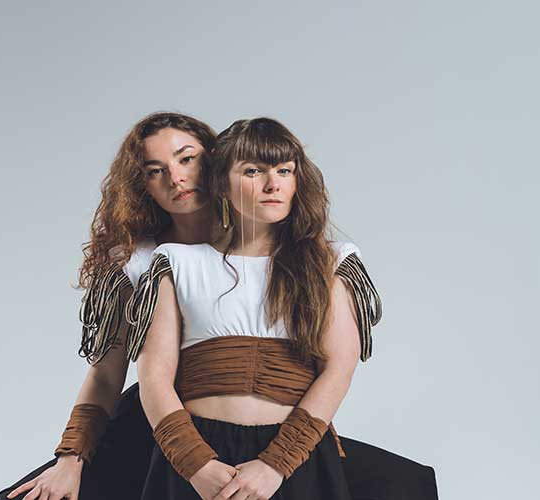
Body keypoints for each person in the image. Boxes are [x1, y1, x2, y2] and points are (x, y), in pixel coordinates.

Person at [0, 114, 438, 500]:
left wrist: (281, 458)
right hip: (163, 422)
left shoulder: (296, 249)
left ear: (216, 163)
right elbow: (108, 374)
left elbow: (337, 364)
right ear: (142, 186)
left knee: (403, 485)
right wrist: (71, 459)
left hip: (280, 428)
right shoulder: (147, 262)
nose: (176, 177)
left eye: (187, 159)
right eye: (155, 170)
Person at [128, 117, 436, 499]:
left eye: (284, 170)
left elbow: (338, 370)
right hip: (195, 464)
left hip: (293, 460)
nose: (273, 184)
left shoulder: (329, 263)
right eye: (253, 171)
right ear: (221, 183)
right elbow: (154, 377)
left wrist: (275, 465)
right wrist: (197, 466)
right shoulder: (177, 263)